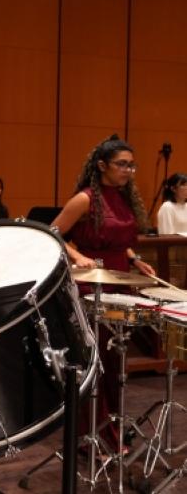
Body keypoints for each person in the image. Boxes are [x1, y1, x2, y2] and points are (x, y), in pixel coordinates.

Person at [51, 134, 155, 452]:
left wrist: (135, 258)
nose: (128, 171)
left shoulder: (123, 199)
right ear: (101, 166)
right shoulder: (84, 199)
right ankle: (91, 437)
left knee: (113, 361)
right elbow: (52, 231)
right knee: (95, 362)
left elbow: (117, 237)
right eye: (122, 165)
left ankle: (110, 427)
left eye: (131, 165)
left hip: (117, 281)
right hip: (89, 284)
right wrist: (76, 255)